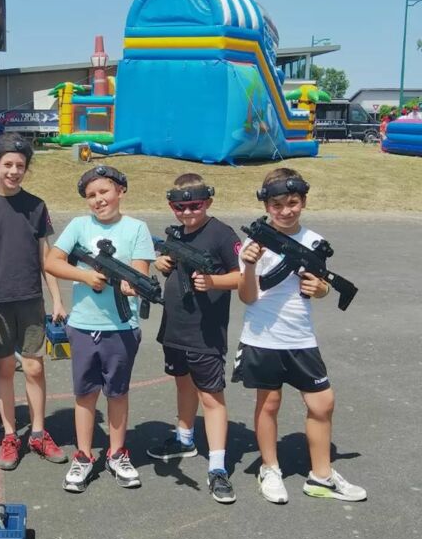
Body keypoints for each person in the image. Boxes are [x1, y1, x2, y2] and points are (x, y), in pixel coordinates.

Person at [234, 167, 366, 504]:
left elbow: (316, 286)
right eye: (276, 205)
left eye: (292, 203)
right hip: (263, 337)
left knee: (323, 403)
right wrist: (250, 265)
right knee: (268, 403)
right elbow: (247, 297)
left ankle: (321, 476)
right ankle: (270, 468)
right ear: (266, 206)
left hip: (301, 337)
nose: (285, 211)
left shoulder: (313, 242)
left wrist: (322, 289)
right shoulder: (254, 243)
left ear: (303, 201)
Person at [44, 165, 155, 492]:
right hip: (83, 325)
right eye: (91, 195)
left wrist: (131, 286)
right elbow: (52, 261)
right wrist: (86, 276)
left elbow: (139, 272)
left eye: (104, 191)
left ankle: (117, 453)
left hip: (121, 327)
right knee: (85, 393)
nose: (98, 199)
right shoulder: (79, 225)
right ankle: (83, 454)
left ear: (120, 191)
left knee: (117, 392)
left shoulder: (137, 228)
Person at [0, 132, 67, 471]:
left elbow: (46, 258)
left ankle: (38, 432)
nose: (13, 171)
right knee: (4, 368)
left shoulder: (36, 206)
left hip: (30, 300)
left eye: (20, 166)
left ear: (26, 169)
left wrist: (57, 299)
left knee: (35, 367)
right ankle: (10, 435)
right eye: (7, 164)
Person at [146, 174, 241, 504]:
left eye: (195, 206)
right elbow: (170, 268)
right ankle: (184, 438)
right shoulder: (175, 235)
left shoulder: (222, 234)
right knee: (183, 385)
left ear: (208, 202)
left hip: (206, 332)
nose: (187, 212)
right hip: (176, 329)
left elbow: (243, 276)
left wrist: (214, 282)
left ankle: (218, 467)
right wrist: (162, 264)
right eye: (179, 207)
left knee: (211, 398)